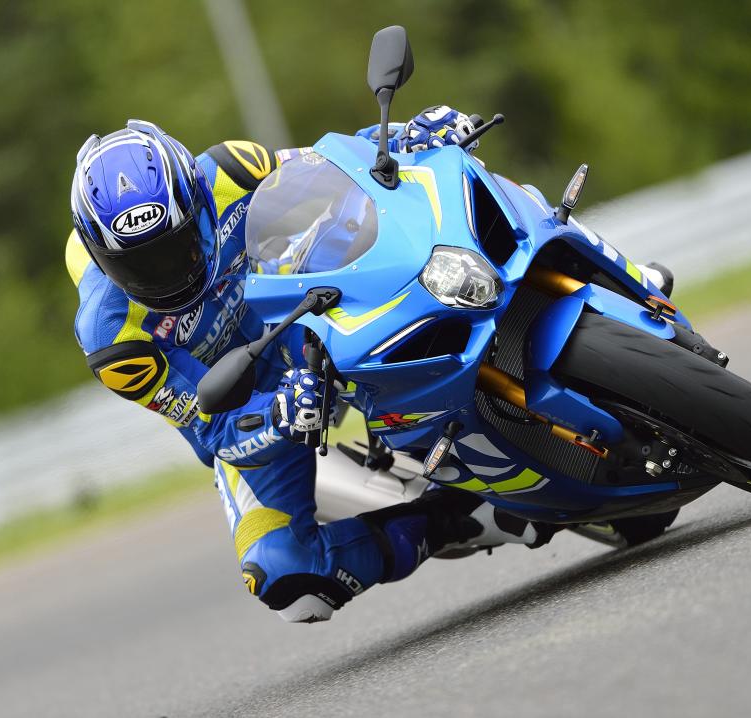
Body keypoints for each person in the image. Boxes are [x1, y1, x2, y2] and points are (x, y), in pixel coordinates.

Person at [67, 108, 570, 623]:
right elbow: (211, 425)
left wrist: (406, 136)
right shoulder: (112, 339)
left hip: (302, 311)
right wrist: (276, 415)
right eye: (138, 265)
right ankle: (458, 519)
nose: (167, 274)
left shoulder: (229, 171)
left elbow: (330, 166)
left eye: (177, 248)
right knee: (285, 579)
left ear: (196, 200)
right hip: (251, 403)